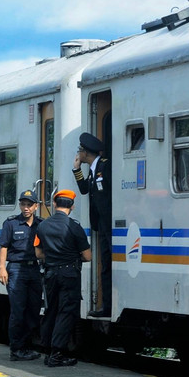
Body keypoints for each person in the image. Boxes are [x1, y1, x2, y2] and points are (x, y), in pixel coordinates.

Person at [34, 189, 91, 367]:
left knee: (51, 310)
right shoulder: (74, 227)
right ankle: (57, 354)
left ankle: (47, 350)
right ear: (72, 206)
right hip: (69, 274)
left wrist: (52, 256)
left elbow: (38, 253)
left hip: (51, 273)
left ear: (55, 204)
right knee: (66, 312)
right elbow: (88, 256)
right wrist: (72, 257)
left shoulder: (42, 226)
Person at [0, 188, 43, 361]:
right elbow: (3, 246)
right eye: (23, 204)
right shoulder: (11, 224)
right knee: (18, 310)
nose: (26, 208)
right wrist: (2, 268)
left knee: (33, 309)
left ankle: (28, 347)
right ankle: (16, 349)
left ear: (35, 207)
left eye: (29, 205)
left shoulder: (41, 224)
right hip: (16, 269)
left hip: (34, 269)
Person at [72, 131, 112, 317]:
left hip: (109, 225)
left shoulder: (105, 166)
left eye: (80, 151)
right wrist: (76, 170)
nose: (78, 154)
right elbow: (84, 191)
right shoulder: (93, 170)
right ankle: (106, 306)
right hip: (102, 226)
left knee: (109, 264)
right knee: (105, 264)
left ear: (85, 152)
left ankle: (108, 305)